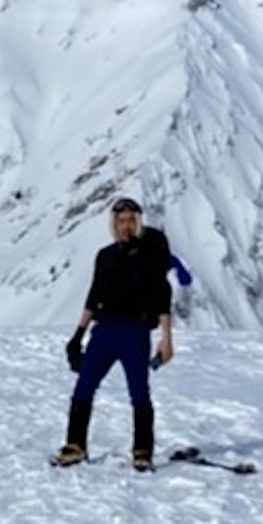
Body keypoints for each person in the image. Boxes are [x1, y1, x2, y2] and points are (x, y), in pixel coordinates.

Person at [57, 196, 176, 469]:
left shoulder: (150, 256)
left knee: (139, 392)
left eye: (131, 221)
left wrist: (166, 340)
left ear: (138, 223)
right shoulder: (105, 256)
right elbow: (94, 295)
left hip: (135, 332)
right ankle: (75, 445)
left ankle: (142, 451)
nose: (126, 226)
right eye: (121, 221)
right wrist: (78, 334)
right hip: (104, 331)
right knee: (84, 386)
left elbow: (162, 297)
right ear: (114, 224)